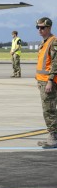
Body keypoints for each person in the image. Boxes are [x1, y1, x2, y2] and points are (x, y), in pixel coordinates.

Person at [35, 17, 57, 149]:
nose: (39, 30)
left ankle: (53, 137)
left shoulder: (53, 42)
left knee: (49, 110)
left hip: (49, 82)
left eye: (42, 27)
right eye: (38, 27)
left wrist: (50, 80)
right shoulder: (44, 42)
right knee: (48, 109)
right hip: (42, 81)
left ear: (49, 27)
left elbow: (55, 63)